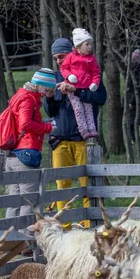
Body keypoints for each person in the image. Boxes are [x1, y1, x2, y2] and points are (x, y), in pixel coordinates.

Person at [45, 37, 107, 223]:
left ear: (72, 52)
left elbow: (101, 98)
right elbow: (50, 111)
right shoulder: (55, 77)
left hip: (83, 140)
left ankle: (90, 226)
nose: (59, 61)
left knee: (87, 184)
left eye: (62, 56)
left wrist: (76, 90)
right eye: (56, 58)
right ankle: (64, 227)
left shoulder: (88, 72)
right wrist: (49, 97)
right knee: (62, 187)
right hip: (60, 140)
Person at [5, 69, 56, 219]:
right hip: (25, 154)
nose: (46, 93)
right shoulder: (28, 99)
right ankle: (25, 233)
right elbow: (25, 124)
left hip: (14, 154)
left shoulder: (20, 96)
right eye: (47, 89)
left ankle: (9, 232)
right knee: (29, 201)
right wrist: (47, 127)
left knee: (14, 201)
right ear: (39, 85)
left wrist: (43, 123)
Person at [59, 28, 101, 139]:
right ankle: (83, 130)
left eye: (91, 44)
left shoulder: (91, 59)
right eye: (87, 44)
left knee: (88, 109)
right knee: (78, 109)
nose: (90, 47)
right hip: (73, 88)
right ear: (78, 45)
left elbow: (96, 72)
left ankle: (92, 129)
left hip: (86, 89)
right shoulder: (71, 57)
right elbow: (63, 68)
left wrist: (95, 83)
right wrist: (69, 76)